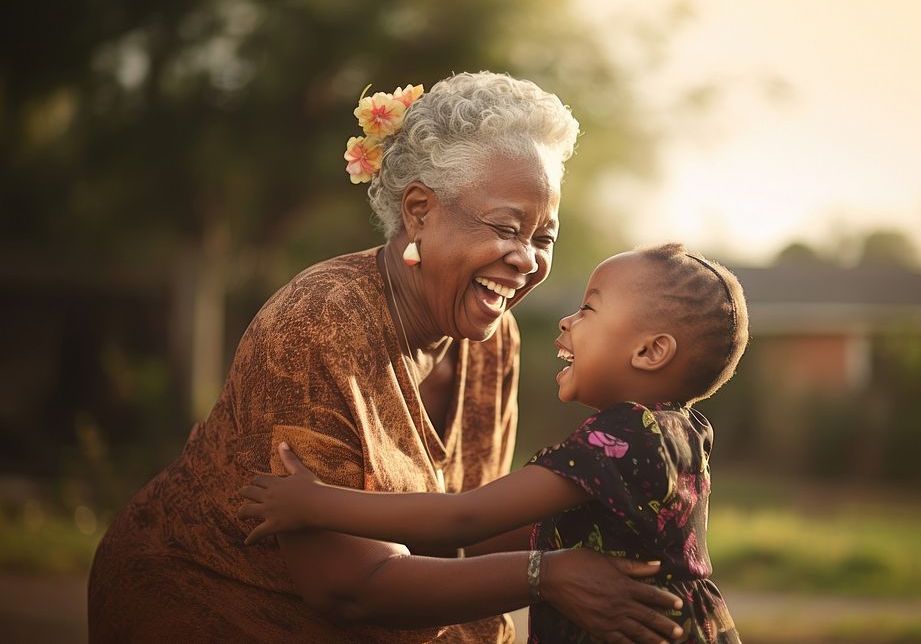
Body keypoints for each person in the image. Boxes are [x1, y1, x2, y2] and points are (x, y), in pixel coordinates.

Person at [88, 71, 686, 643]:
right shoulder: (316, 326)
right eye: (507, 227)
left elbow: (469, 532)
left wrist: (611, 538)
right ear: (419, 211)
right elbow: (349, 589)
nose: (527, 259)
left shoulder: (490, 334)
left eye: (543, 238)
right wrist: (549, 574)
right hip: (217, 611)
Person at [239, 243, 748, 643]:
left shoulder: (622, 438)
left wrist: (315, 504)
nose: (566, 321)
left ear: (650, 351)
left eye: (589, 309)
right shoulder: (680, 432)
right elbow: (498, 535)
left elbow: (466, 517)